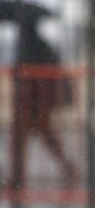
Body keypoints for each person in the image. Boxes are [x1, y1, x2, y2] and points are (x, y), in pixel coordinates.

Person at [7, 13, 78, 191]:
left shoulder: (34, 46)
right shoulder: (34, 45)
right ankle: (66, 169)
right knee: (39, 134)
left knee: (24, 136)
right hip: (35, 101)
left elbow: (42, 77)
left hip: (35, 101)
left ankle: (17, 177)